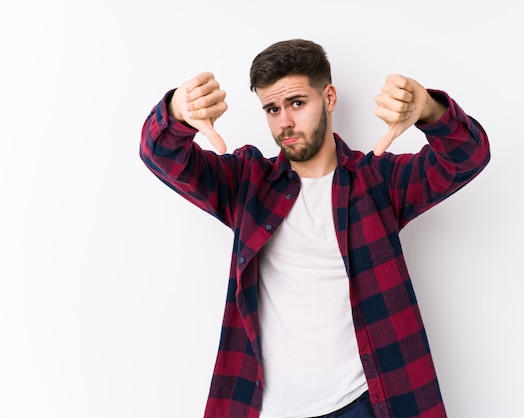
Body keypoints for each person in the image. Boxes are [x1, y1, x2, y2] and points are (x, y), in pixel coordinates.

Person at [140, 39, 490, 418]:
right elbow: (161, 155)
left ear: (329, 97)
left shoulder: (376, 182)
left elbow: (467, 156)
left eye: (297, 103)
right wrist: (175, 111)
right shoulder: (247, 183)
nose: (285, 121)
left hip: (361, 404)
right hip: (267, 408)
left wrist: (430, 111)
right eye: (272, 109)